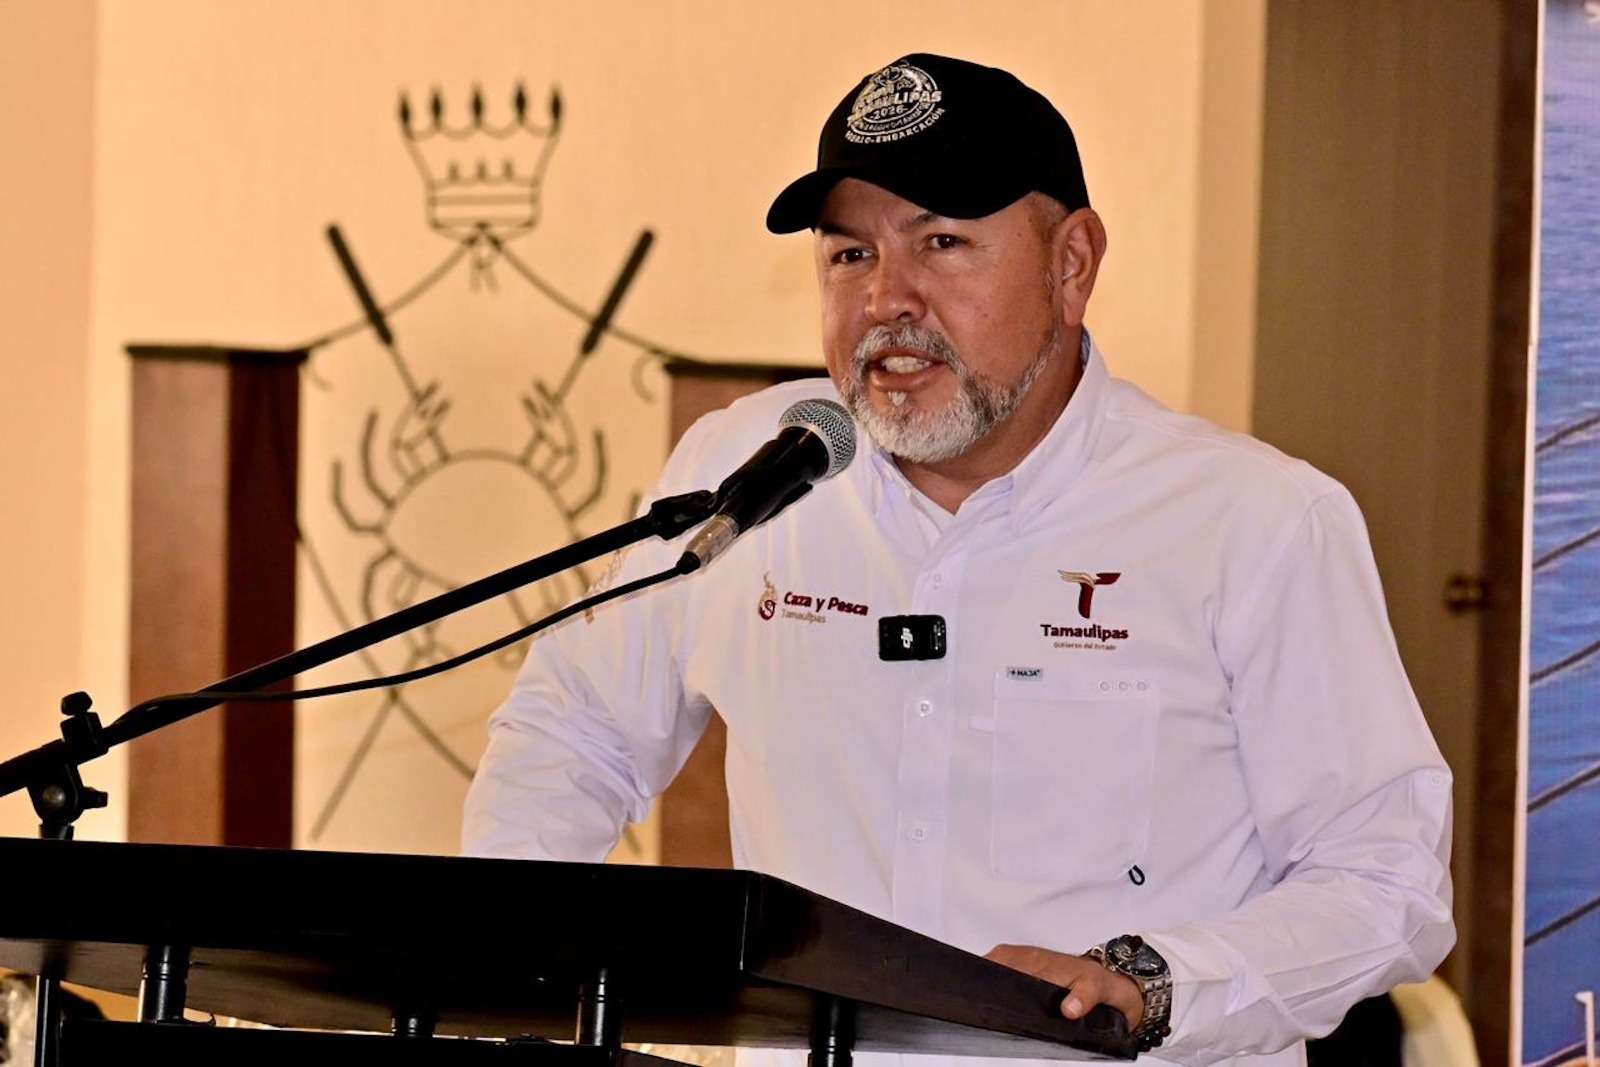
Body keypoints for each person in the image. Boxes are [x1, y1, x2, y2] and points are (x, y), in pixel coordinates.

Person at [463, 53, 1454, 1066]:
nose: (887, 298)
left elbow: (1385, 879)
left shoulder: (1252, 519)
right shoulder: (748, 471)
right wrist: (516, 962)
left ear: (1072, 265)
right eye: (849, 254)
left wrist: (1156, 982)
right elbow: (575, 732)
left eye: (941, 243)